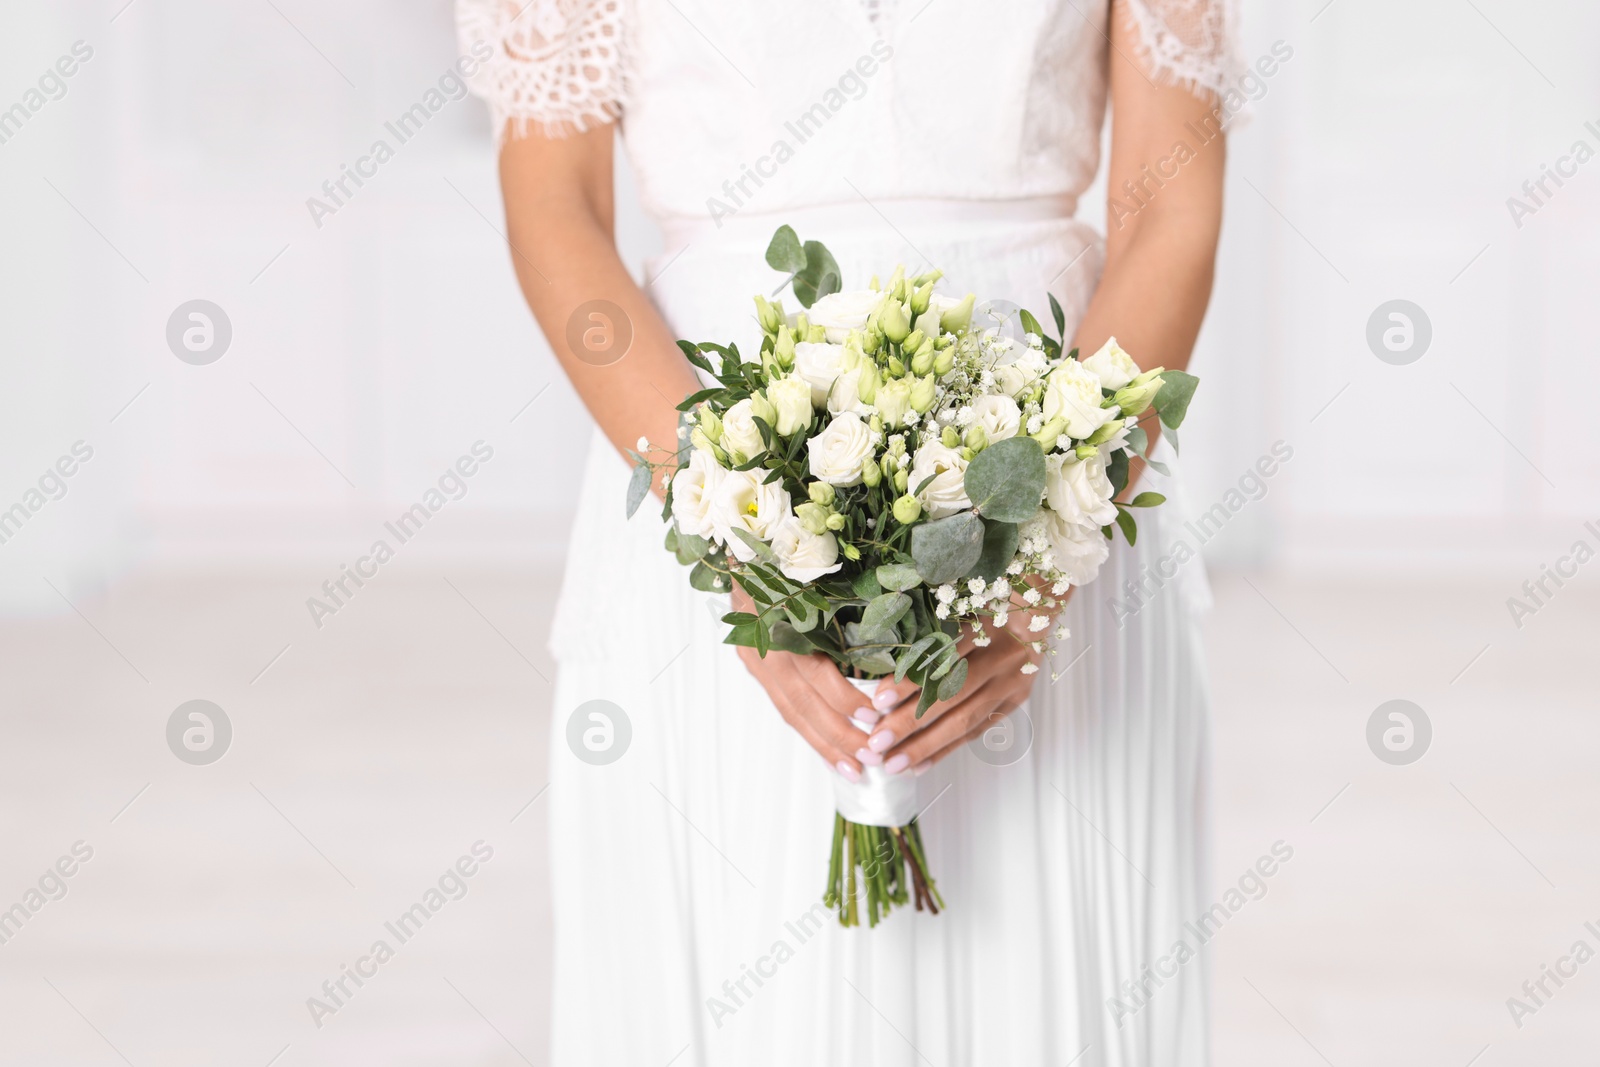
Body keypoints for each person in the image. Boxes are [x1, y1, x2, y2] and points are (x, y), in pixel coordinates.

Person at [456, 0, 1236, 1062]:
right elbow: (553, 209)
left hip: (1064, 464)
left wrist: (1044, 543)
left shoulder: (1055, 531)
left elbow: (1171, 207)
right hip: (703, 472)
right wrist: (740, 542)